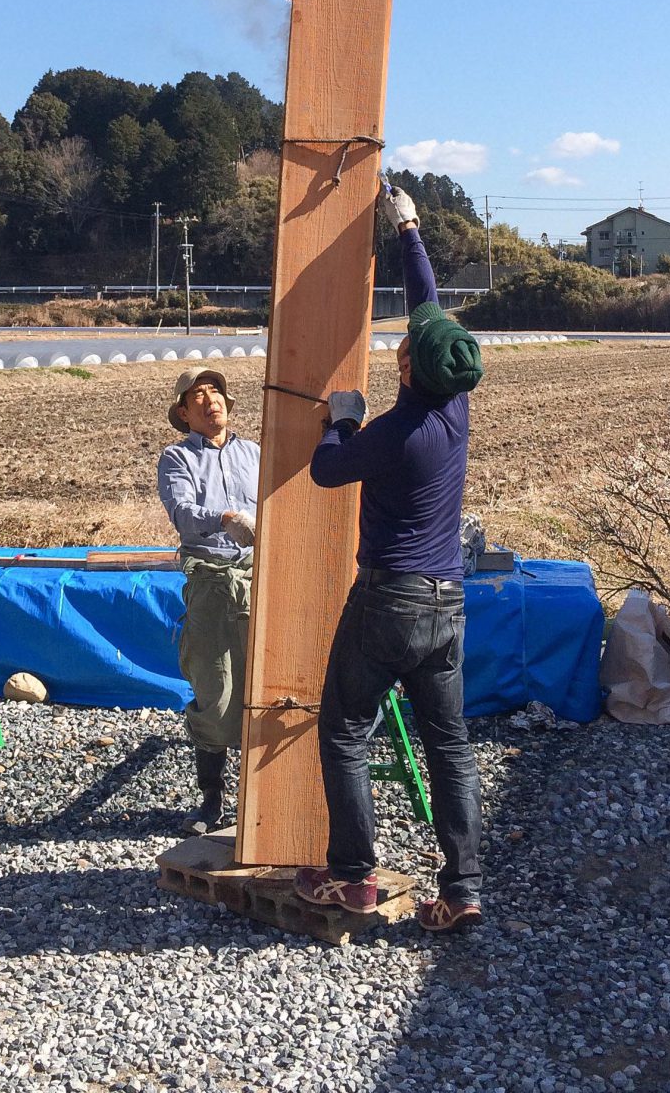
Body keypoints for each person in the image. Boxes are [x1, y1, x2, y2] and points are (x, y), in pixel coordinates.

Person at [294, 184, 486, 931]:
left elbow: (325, 472)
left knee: (343, 730)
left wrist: (341, 421)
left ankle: (352, 880)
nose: (401, 346)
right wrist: (408, 228)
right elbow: (427, 301)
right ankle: (462, 891)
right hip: (447, 604)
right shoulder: (454, 403)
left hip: (389, 600)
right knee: (451, 747)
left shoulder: (396, 432)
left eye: (402, 350)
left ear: (407, 372)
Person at [158, 365, 260, 833]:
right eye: (197, 395)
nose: (209, 399)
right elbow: (182, 513)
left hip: (262, 575)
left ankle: (266, 797)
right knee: (214, 686)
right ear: (184, 412)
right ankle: (212, 801)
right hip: (211, 581)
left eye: (215, 391)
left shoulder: (257, 453)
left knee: (271, 681)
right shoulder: (177, 459)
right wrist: (224, 519)